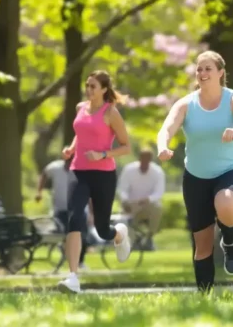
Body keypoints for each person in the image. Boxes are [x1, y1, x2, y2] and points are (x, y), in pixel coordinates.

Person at [156, 50, 233, 293]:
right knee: (202, 245)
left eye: (208, 68)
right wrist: (162, 146)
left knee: (225, 202)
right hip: (196, 178)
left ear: (221, 73)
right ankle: (205, 298)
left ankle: (230, 241)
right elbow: (166, 129)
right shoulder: (186, 104)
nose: (202, 73)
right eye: (199, 69)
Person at [56, 70, 132, 294]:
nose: (88, 90)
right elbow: (81, 131)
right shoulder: (81, 107)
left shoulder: (111, 113)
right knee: (75, 217)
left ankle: (118, 234)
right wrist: (71, 148)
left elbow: (126, 146)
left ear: (104, 90)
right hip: (78, 171)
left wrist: (103, 155)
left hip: (104, 175)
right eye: (87, 85)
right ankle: (72, 277)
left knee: (101, 228)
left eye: (93, 87)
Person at [35, 158, 91, 268]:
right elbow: (44, 174)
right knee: (65, 233)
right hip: (60, 209)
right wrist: (39, 192)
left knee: (82, 234)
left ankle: (80, 261)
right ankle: (68, 254)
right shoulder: (55, 167)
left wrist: (91, 212)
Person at [118, 149, 166, 250]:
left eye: (147, 160)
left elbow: (159, 192)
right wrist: (125, 201)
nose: (144, 163)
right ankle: (135, 241)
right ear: (139, 159)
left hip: (148, 205)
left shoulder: (157, 172)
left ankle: (149, 238)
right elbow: (122, 189)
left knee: (157, 208)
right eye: (143, 160)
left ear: (150, 160)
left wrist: (148, 199)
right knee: (122, 221)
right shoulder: (129, 170)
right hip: (131, 205)